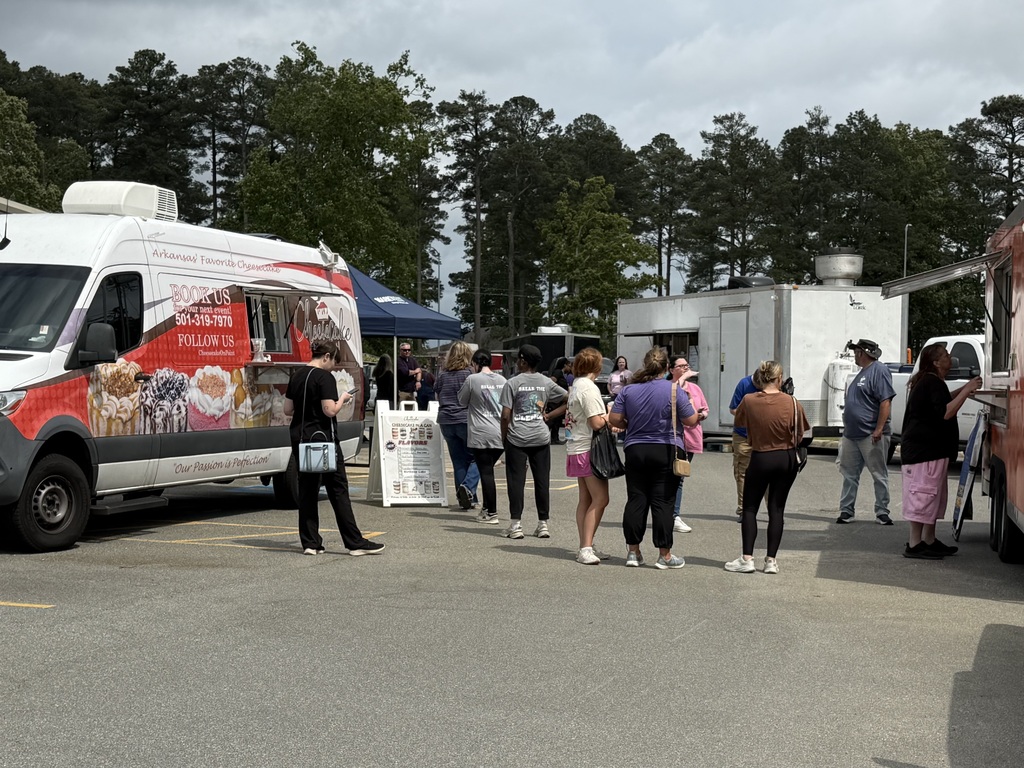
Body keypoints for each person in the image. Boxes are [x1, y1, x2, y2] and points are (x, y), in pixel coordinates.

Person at [284, 341, 384, 556]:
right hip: (324, 440)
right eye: (334, 362)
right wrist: (343, 399)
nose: (334, 367)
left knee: (308, 490)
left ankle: (310, 542)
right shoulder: (324, 378)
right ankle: (354, 542)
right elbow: (329, 410)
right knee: (338, 490)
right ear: (327, 356)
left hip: (301, 439)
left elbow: (287, 409)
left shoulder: (297, 375)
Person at [608, 347, 699, 569]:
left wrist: (630, 424)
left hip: (636, 449)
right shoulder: (674, 390)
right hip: (666, 448)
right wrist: (693, 404)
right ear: (667, 368)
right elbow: (691, 420)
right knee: (663, 501)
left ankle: (633, 552)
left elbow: (615, 418)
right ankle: (664, 555)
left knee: (636, 499)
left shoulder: (629, 391)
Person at [724, 360, 809, 574]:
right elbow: (801, 432)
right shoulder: (792, 402)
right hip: (786, 457)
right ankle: (771, 561)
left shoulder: (749, 400)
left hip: (761, 455)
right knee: (776, 509)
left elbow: (739, 423)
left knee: (750, 508)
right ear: (779, 379)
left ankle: (747, 558)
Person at [900, 343, 982, 559]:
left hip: (930, 452)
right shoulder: (931, 382)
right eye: (945, 355)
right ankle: (915, 544)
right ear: (936, 363)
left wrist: (964, 390)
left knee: (933, 496)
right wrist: (965, 391)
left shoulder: (932, 382)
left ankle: (928, 539)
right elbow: (945, 412)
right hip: (923, 453)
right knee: (923, 494)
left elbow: (942, 401)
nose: (950, 356)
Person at [500, 344, 567, 539]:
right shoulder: (545, 382)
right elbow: (569, 399)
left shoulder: (512, 383)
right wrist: (549, 416)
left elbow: (505, 415)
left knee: (516, 482)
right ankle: (543, 523)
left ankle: (516, 525)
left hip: (517, 436)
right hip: (540, 436)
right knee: (542, 480)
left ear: (522, 360)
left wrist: (504, 438)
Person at [836, 338, 897, 525]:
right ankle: (846, 511)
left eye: (857, 351)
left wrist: (879, 429)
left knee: (878, 473)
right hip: (852, 434)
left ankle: (882, 511)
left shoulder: (879, 371)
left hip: (870, 433)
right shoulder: (862, 373)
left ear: (863, 353)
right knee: (849, 474)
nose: (854, 354)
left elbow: (885, 401)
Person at [565, 348, 612, 565]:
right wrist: (609, 415)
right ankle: (586, 548)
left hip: (575, 445)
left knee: (585, 498)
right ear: (597, 366)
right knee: (601, 498)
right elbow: (596, 422)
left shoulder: (575, 386)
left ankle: (586, 543)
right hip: (588, 448)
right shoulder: (589, 388)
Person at [458, 349, 505, 524]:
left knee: (486, 473)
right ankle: (486, 508)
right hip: (500, 431)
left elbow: (461, 400)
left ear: (475, 364)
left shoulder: (472, 379)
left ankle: (492, 512)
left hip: (480, 432)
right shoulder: (502, 380)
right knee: (487, 470)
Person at [435, 341, 481, 510]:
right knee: (476, 458)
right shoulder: (470, 373)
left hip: (446, 418)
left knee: (458, 461)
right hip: (464, 418)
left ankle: (466, 498)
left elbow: (438, 394)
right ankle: (469, 491)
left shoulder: (443, 374)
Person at [668, 355, 709, 534]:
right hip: (672, 437)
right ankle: (671, 515)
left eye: (687, 366)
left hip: (690, 436)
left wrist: (702, 414)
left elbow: (705, 408)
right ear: (671, 369)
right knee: (671, 477)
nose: (686, 368)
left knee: (679, 476)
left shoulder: (695, 388)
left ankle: (673, 515)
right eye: (681, 366)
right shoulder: (670, 387)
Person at [729, 370, 759, 517]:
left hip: (764, 436)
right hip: (743, 434)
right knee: (742, 473)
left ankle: (774, 511)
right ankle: (743, 509)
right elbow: (733, 409)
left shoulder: (773, 385)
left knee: (767, 474)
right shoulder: (744, 383)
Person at [548, 357, 571, 444]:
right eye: (569, 365)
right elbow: (552, 382)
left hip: (560, 400)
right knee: (553, 420)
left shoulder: (563, 374)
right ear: (565, 365)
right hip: (555, 400)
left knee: (557, 420)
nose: (570, 368)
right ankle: (552, 437)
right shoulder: (558, 372)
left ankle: (555, 438)